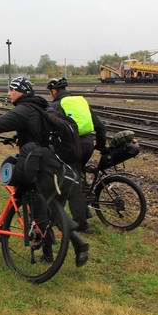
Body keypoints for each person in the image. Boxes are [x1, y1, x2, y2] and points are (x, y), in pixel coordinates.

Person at [0, 76, 89, 267]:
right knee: (46, 206)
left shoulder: (24, 110)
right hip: (50, 161)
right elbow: (36, 133)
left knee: (35, 203)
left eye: (12, 89)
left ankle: (67, 244)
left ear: (22, 92)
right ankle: (61, 248)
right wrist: (18, 138)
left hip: (36, 164)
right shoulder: (40, 107)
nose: (9, 93)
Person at [47, 77, 107, 233]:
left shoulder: (56, 105)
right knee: (76, 176)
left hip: (72, 147)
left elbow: (49, 125)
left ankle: (81, 224)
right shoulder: (81, 101)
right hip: (88, 145)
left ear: (54, 91)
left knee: (71, 183)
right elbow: (100, 126)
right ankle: (80, 213)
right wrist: (100, 145)